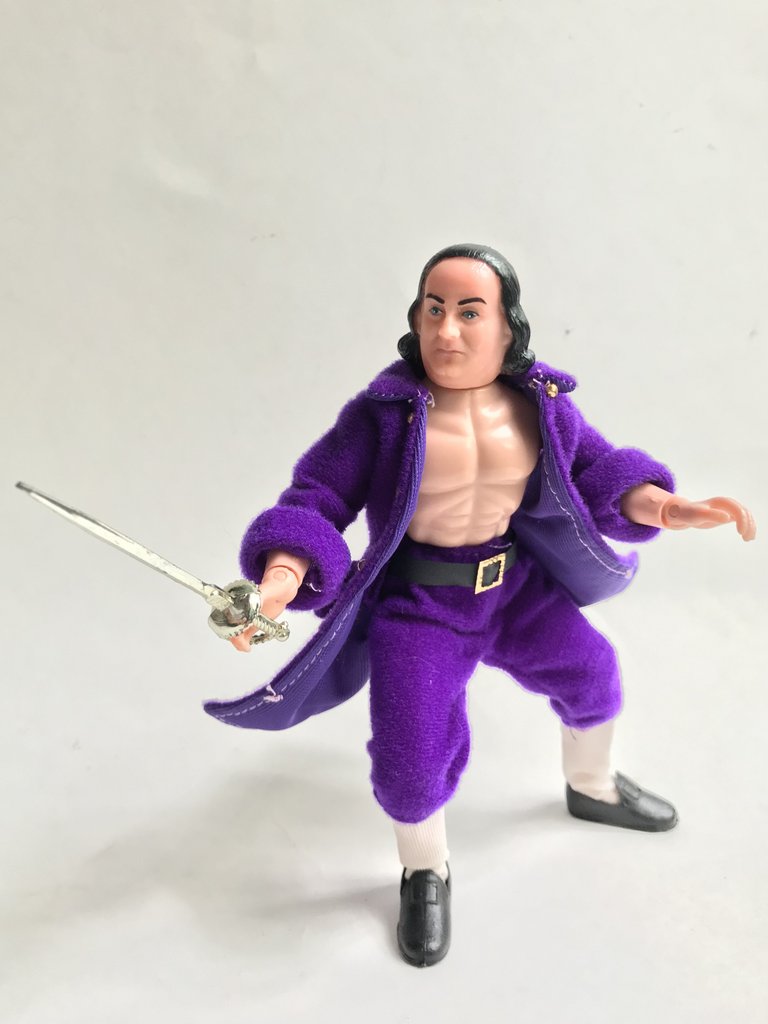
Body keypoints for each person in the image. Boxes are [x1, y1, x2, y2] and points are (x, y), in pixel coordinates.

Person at [204, 244, 755, 968]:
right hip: (420, 603)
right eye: (434, 310)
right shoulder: (383, 416)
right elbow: (318, 496)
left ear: (506, 327)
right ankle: (424, 871)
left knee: (593, 673)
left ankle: (593, 786)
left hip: (511, 587)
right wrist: (284, 571)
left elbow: (597, 469)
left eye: (469, 313)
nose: (447, 331)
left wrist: (665, 507)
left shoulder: (541, 405)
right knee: (409, 757)